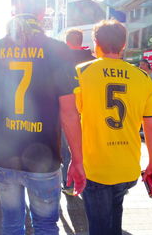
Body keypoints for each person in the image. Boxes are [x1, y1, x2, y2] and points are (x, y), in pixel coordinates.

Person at [0, 0, 86, 234]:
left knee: (11, 224)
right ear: (43, 12)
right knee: (45, 224)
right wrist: (78, 159)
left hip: (4, 155)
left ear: (13, 10)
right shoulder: (58, 50)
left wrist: (2, 103)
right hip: (44, 158)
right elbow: (69, 113)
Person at [73, 19, 152, 235]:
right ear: (124, 45)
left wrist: (74, 160)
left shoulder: (81, 72)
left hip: (95, 166)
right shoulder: (142, 77)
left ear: (96, 43)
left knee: (98, 226)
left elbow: (71, 118)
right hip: (127, 165)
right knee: (115, 215)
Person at [61, 28, 96, 195]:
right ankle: (87, 181)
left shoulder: (59, 60)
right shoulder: (93, 61)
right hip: (88, 112)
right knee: (87, 148)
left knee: (67, 147)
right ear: (81, 41)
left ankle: (68, 184)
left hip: (65, 111)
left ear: (67, 41)